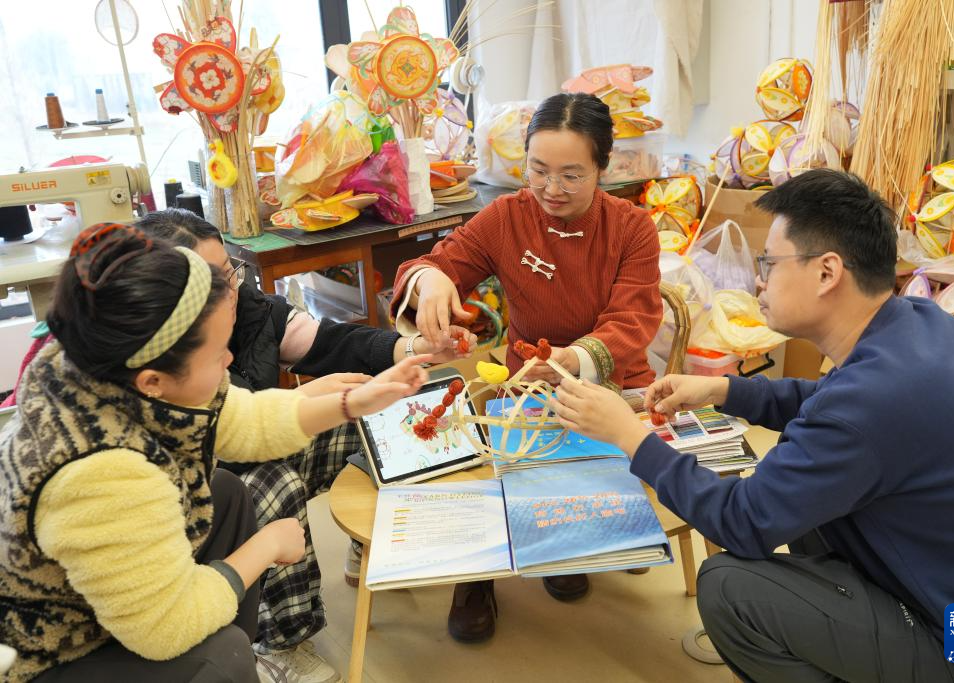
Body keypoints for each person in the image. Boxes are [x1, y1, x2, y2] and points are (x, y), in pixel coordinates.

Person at [550, 169, 954, 682]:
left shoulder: (871, 400)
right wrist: (724, 390)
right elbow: (831, 404)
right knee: (810, 510)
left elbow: (743, 522)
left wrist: (630, 436)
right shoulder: (918, 324)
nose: (759, 280)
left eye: (770, 264)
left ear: (827, 272)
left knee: (731, 588)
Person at [0, 223, 429, 682]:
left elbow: (246, 419)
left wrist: (351, 402)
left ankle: (231, 637)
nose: (229, 361)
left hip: (112, 593)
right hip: (56, 651)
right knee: (222, 656)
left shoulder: (106, 364)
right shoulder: (101, 473)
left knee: (226, 493)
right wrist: (266, 546)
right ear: (153, 381)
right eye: (217, 354)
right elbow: (163, 629)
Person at [135, 208, 475, 682]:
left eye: (229, 273)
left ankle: (374, 542)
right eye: (211, 283)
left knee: (387, 415)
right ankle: (282, 642)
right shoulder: (142, 385)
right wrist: (266, 546)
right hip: (204, 501)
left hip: (249, 451)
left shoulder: (247, 308)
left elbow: (324, 350)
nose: (228, 292)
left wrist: (412, 351)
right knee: (271, 484)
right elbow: (224, 440)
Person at [391, 92, 662, 642]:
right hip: (523, 381)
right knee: (480, 448)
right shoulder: (507, 217)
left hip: (608, 379)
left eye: (571, 175)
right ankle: (476, 576)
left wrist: (573, 360)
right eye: (537, 170)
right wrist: (430, 279)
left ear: (603, 167)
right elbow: (431, 263)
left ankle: (563, 544)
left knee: (581, 473)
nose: (551, 189)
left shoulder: (632, 228)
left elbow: (632, 319)